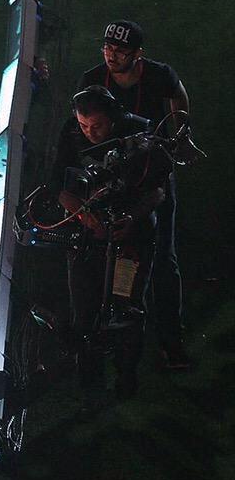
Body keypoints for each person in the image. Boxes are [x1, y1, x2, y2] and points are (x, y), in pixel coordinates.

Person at [77, 20, 190, 368]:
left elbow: (178, 94)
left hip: (151, 174)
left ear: (138, 54)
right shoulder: (93, 80)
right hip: (113, 180)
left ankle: (171, 340)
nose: (112, 56)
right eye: (108, 49)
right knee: (107, 256)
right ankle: (104, 337)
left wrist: (180, 132)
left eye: (121, 51)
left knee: (162, 259)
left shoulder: (158, 75)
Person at [50, 86, 170, 399]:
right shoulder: (71, 132)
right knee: (84, 310)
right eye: (84, 126)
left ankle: (126, 377)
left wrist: (131, 218)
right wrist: (84, 215)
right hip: (86, 239)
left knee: (126, 307)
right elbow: (57, 185)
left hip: (130, 240)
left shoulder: (141, 136)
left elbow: (158, 191)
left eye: (97, 126)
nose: (89, 133)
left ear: (113, 120)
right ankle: (89, 381)